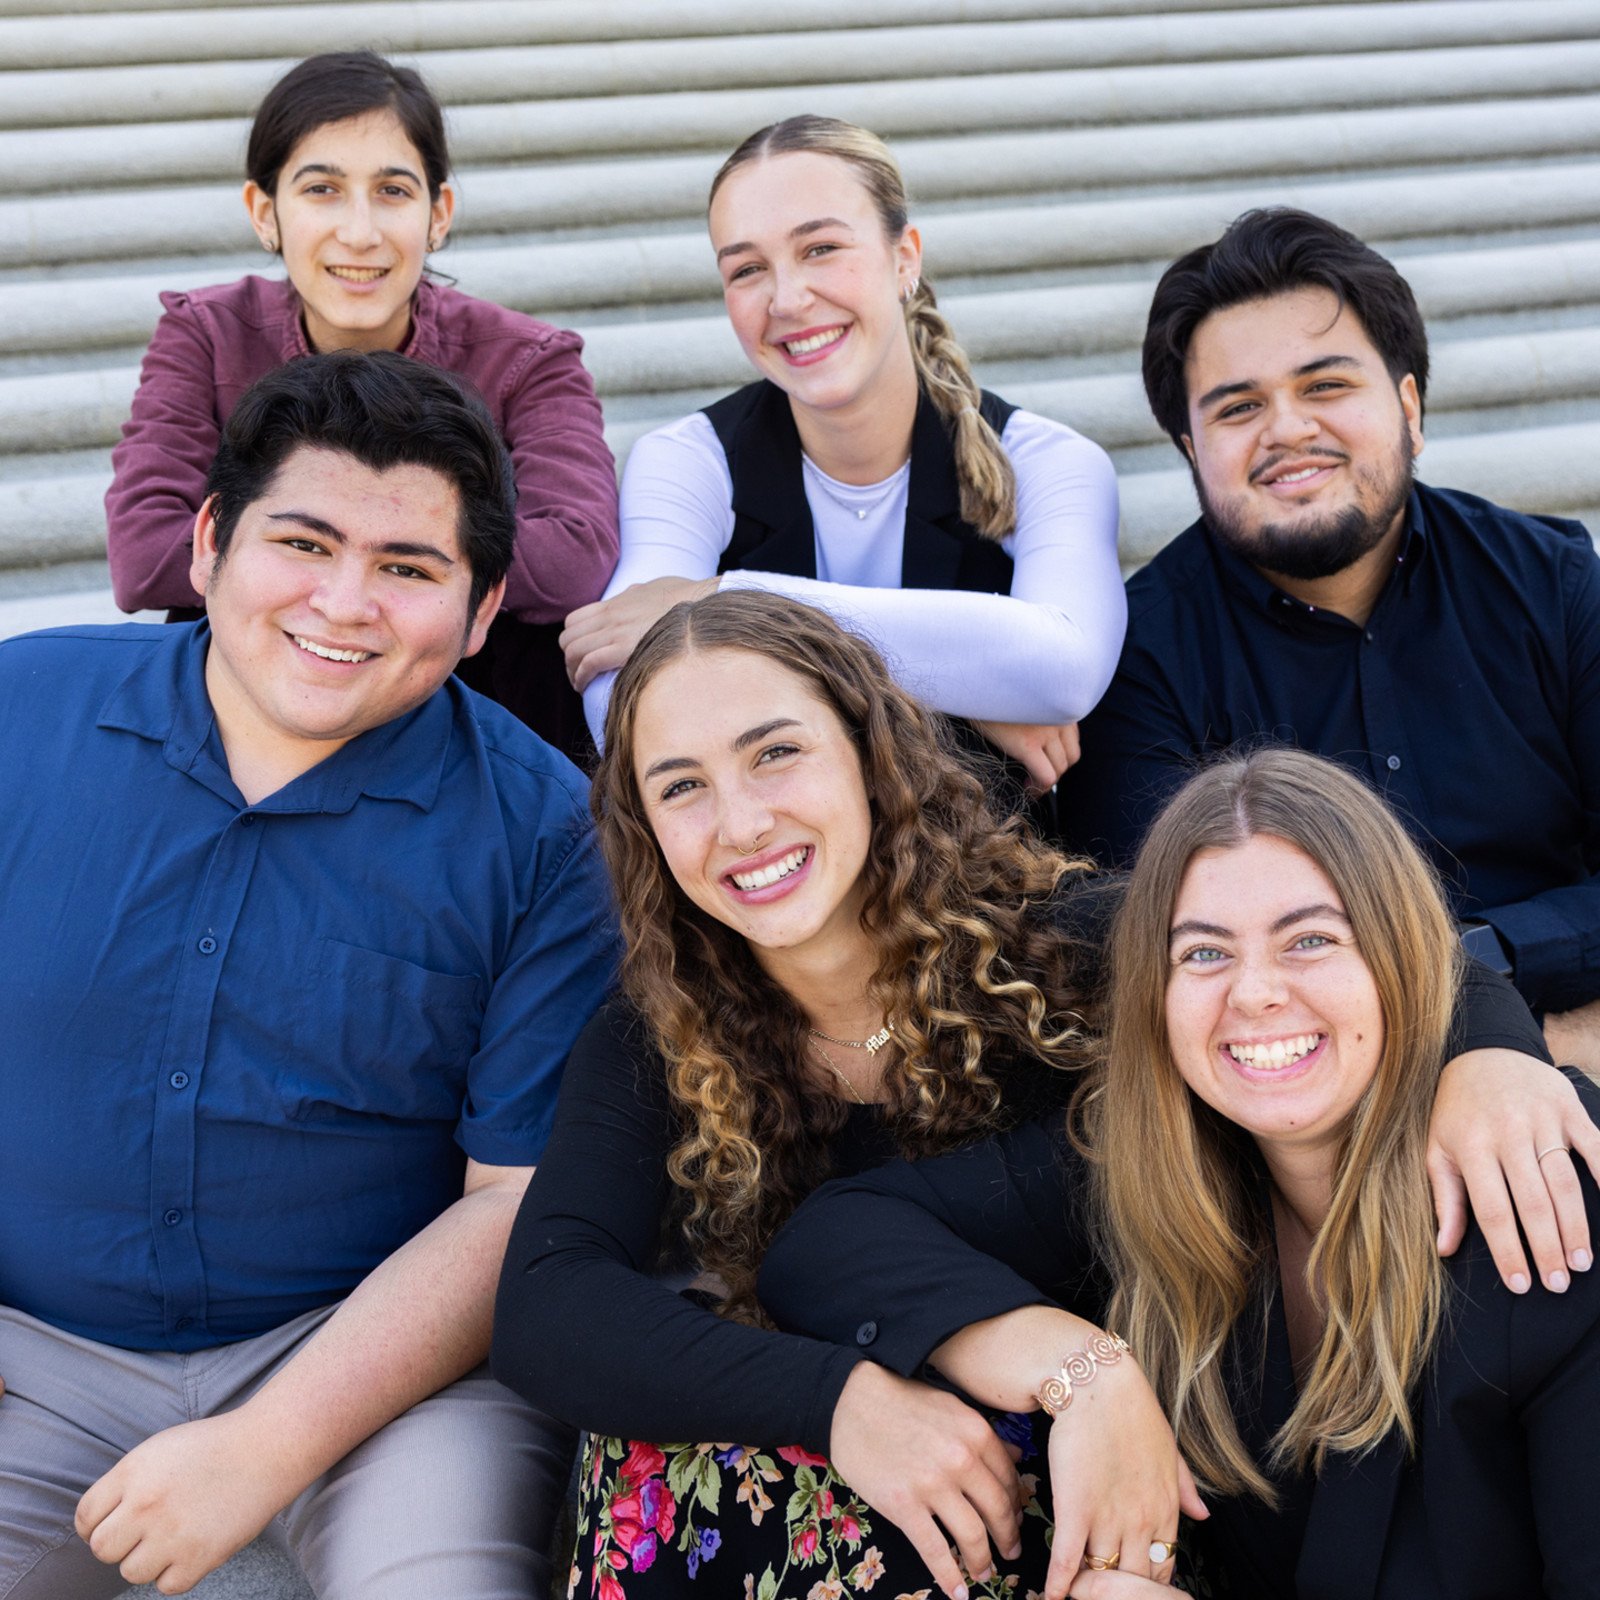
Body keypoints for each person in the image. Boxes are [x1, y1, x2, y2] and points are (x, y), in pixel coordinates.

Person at [494, 591, 1583, 1600]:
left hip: (1137, 1466)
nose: (738, 823)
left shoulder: (1062, 941)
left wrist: (1489, 1058)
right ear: (640, 828)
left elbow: (1368, 959)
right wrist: (842, 1399)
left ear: (870, 758)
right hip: (876, 1432)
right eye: (679, 785)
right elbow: (549, 1307)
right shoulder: (659, 1030)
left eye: (774, 753)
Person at [0, 351, 616, 1599]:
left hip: (379, 1366)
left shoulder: (551, 830)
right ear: (211, 541)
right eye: (303, 543)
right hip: (31, 1345)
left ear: (485, 610)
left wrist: (262, 1446)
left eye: (407, 569)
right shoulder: (20, 712)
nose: (344, 603)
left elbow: (512, 1201)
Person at [761, 748, 1600, 1598]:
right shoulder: (1152, 1170)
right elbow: (830, 1241)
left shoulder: (1546, 1193)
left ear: (1402, 957)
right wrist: (1083, 1369)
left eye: (1311, 939)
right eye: (1203, 954)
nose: (1257, 993)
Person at [1057, 206, 1600, 1075]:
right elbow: (1172, 955)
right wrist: (1538, 1034)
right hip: (1301, 1094)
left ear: (1409, 406)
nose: (1287, 430)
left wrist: (1485, 967)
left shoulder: (1556, 585)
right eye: (1240, 407)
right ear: (1190, 449)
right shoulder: (1135, 660)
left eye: (1326, 386)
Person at [560, 116, 1124, 809]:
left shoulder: (1047, 460)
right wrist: (959, 688)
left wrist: (721, 600)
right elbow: (619, 695)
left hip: (984, 880)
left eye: (821, 248)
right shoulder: (687, 459)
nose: (788, 300)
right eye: (746, 269)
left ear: (905, 257)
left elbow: (1063, 667)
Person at [104, 49, 618, 758]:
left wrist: (311, 554)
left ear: (438, 213)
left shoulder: (526, 359)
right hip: (258, 687)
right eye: (321, 190)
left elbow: (575, 557)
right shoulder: (209, 334)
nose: (360, 233)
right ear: (265, 211)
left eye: (393, 192)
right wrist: (410, 567)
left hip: (464, 694)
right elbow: (143, 554)